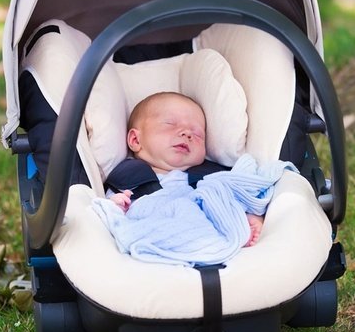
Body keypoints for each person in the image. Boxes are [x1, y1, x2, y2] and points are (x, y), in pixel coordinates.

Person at [107, 92, 264, 247]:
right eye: (170, 124)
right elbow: (109, 216)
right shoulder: (126, 179)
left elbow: (237, 197)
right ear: (135, 140)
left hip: (205, 233)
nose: (187, 133)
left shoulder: (211, 178)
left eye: (197, 134)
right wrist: (116, 207)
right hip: (153, 233)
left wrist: (249, 217)